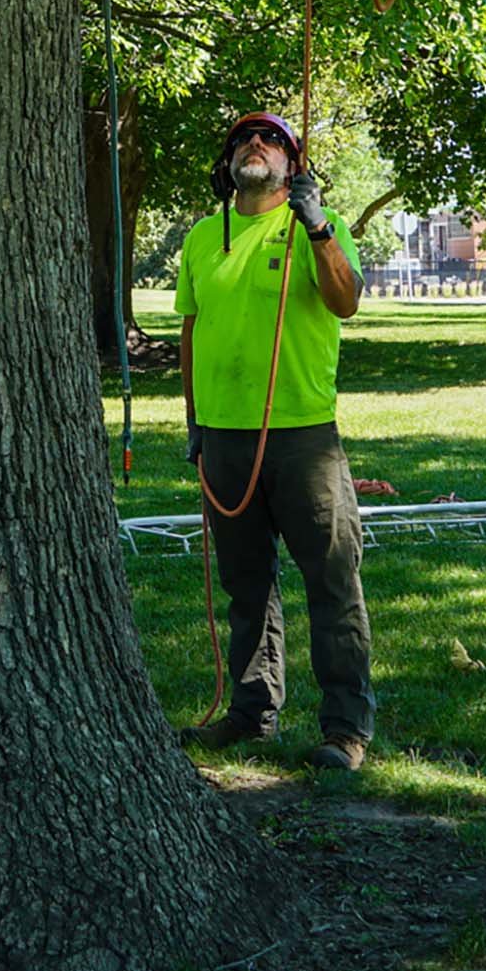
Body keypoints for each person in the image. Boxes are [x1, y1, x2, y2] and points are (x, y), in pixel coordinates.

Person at [174, 110, 375, 769]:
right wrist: (195, 423)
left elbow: (346, 302)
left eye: (272, 141)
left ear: (294, 165)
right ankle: (252, 713)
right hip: (224, 441)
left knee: (332, 580)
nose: (254, 146)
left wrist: (317, 226)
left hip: (302, 438)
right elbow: (190, 331)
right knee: (246, 584)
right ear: (228, 162)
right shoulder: (203, 238)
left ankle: (345, 730)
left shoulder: (320, 226)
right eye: (243, 140)